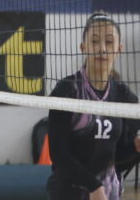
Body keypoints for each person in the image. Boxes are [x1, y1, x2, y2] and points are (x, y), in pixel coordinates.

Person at [47, 12, 140, 200]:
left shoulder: (122, 93)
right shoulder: (67, 89)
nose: (102, 49)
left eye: (109, 42)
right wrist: (93, 186)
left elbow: (117, 156)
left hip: (108, 192)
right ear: (83, 47)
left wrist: (135, 147)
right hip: (70, 192)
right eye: (95, 41)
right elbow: (58, 154)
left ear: (119, 49)